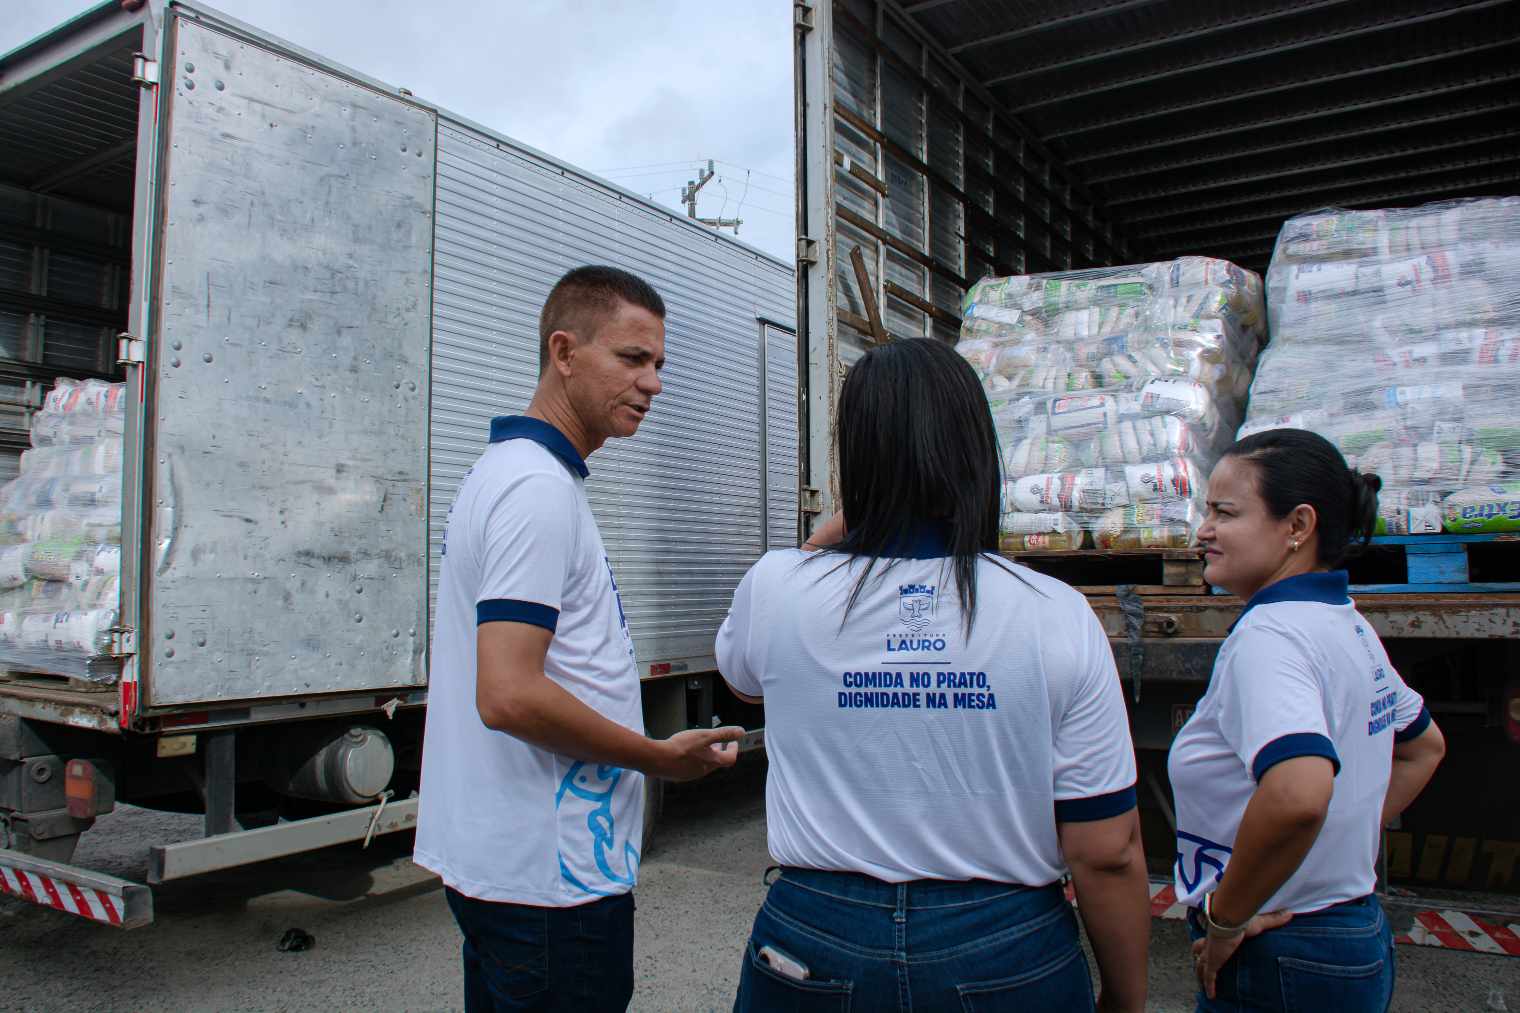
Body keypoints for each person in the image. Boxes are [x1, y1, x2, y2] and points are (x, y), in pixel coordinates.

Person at [716, 337, 1151, 1012]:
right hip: (1004, 945)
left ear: (853, 454)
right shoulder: (1055, 613)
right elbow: (1107, 849)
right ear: (977, 450)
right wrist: (1126, 996)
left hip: (816, 937)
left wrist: (825, 539)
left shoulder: (777, 587)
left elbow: (748, 682)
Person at [415, 265, 744, 1013]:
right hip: (549, 882)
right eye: (633, 358)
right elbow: (508, 692)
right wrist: (657, 758)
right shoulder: (535, 490)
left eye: (659, 363)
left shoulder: (515, 472)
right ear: (564, 352)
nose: (653, 382)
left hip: (518, 868)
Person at [1171, 428, 1446, 1011]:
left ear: (1297, 526)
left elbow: (1298, 796)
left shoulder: (1270, 637)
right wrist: (1329, 850)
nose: (1204, 531)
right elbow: (1425, 748)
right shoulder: (1345, 623)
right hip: (1350, 931)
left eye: (1225, 513)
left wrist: (1226, 919)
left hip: (1282, 951)